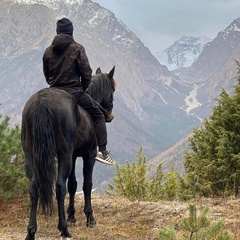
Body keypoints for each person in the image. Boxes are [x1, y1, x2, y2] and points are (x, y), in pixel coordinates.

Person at [42, 17, 114, 165]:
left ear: (57, 32)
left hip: (54, 91)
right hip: (74, 92)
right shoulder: (77, 48)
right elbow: (87, 73)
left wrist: (55, 85)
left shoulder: (48, 51)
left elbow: (47, 76)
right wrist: (83, 88)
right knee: (99, 115)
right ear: (71, 32)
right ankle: (103, 152)